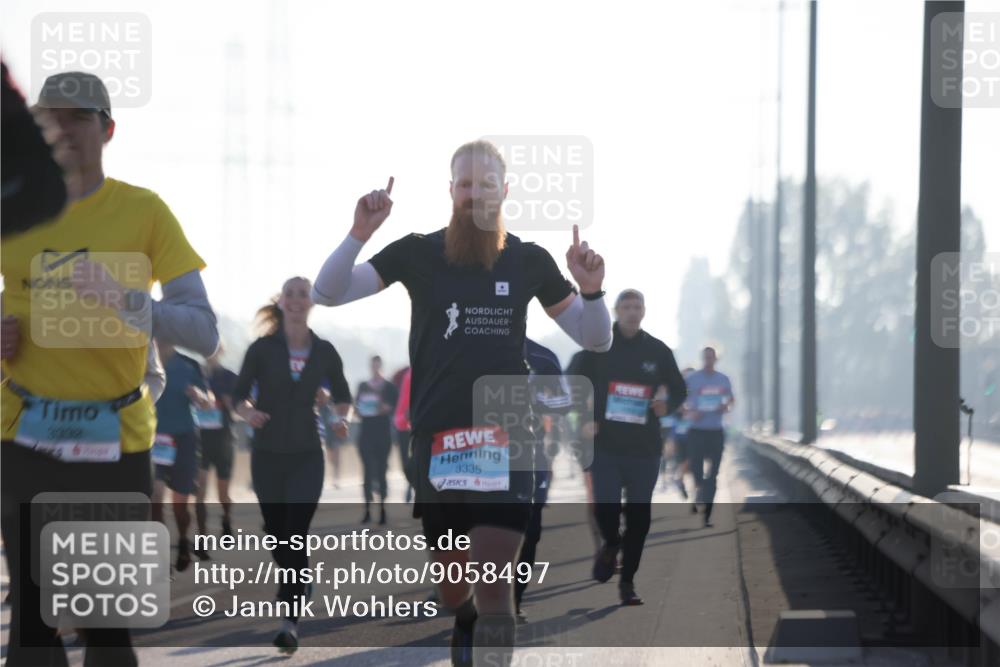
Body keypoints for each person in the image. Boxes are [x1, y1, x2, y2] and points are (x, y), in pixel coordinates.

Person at [310, 140, 611, 666]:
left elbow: (595, 338)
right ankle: (463, 616)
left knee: (496, 588)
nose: (476, 194)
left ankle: (486, 628)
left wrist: (592, 291)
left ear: (505, 191)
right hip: (440, 439)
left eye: (487, 184)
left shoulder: (529, 260)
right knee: (456, 590)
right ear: (451, 191)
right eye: (466, 184)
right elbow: (329, 292)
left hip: (506, 433)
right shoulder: (418, 252)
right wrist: (359, 233)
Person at [0, 70, 217, 667]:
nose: (63, 128)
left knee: (105, 630)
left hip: (114, 446)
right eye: (50, 117)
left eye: (79, 116)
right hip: (24, 438)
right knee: (33, 630)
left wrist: (126, 300)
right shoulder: (11, 205)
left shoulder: (144, 212)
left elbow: (203, 330)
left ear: (109, 129)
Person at [233, 276, 352, 654]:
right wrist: (248, 413)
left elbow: (344, 397)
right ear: (281, 302)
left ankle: (290, 622)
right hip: (267, 455)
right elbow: (238, 398)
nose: (298, 300)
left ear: (311, 302)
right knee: (277, 534)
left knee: (295, 534)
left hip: (306, 455)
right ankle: (300, 580)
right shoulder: (262, 349)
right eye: (291, 294)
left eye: (304, 294)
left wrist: (338, 416)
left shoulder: (325, 351)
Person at [575, 289, 687, 606]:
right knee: (606, 509)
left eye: (637, 306)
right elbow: (573, 383)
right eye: (626, 306)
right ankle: (611, 543)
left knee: (640, 519)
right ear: (615, 311)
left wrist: (668, 403)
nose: (632, 311)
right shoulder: (597, 346)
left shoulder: (658, 350)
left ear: (644, 311)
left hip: (644, 448)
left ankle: (628, 583)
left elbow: (680, 389)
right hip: (606, 446)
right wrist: (585, 419)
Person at [514, 338, 571, 623]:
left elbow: (564, 402)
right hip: (484, 451)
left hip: (533, 456)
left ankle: (514, 599)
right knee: (483, 526)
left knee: (530, 532)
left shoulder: (543, 357)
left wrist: (535, 398)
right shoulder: (478, 342)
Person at [150, 338, 215, 571]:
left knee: (180, 506)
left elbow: (209, 402)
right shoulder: (143, 360)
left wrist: (199, 396)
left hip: (184, 439)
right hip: (153, 438)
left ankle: (183, 541)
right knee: (155, 498)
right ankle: (159, 557)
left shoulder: (189, 364)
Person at [684, 347, 735, 528]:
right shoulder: (692, 379)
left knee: (713, 475)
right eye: (705, 357)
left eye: (711, 357)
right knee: (697, 471)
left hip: (716, 431)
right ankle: (699, 487)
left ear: (716, 359)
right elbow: (680, 400)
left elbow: (731, 400)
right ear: (702, 358)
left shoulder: (723, 379)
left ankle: (707, 516)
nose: (708, 360)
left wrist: (725, 407)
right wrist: (690, 412)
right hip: (697, 430)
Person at [194, 348, 238, 540]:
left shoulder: (229, 377)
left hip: (224, 439)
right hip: (201, 439)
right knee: (200, 489)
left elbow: (239, 405)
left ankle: (226, 519)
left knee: (222, 494)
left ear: (220, 351)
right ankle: (201, 535)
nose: (209, 353)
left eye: (213, 349)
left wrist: (230, 402)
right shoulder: (195, 374)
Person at [355, 355, 399, 524]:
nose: (375, 368)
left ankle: (382, 509)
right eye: (372, 365)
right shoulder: (362, 386)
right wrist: (361, 410)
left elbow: (394, 408)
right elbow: (357, 407)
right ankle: (367, 509)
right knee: (366, 472)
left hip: (382, 434)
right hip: (366, 433)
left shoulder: (389, 387)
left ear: (381, 366)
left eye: (377, 365)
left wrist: (384, 408)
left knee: (381, 471)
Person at [392, 366, 414, 502]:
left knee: (417, 458)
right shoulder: (403, 373)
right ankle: (410, 482)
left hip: (419, 422)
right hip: (402, 423)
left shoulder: (428, 367)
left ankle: (412, 486)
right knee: (404, 461)